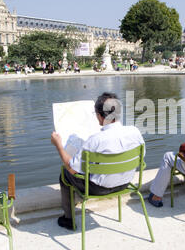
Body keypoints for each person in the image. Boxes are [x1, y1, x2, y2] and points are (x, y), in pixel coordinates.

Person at [51, 92, 145, 230]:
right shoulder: (135, 132)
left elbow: (72, 169)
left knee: (65, 173)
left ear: (100, 115)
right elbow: (140, 159)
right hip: (125, 183)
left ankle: (68, 219)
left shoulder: (95, 140)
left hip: (98, 189)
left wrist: (59, 145)